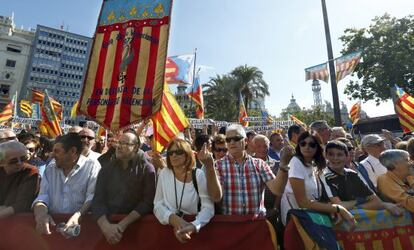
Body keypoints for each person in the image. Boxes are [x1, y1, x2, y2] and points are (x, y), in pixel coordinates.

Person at [280, 131, 355, 229]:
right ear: (299, 146)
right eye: (303, 143)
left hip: (311, 217)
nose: (307, 147)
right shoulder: (296, 162)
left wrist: (329, 208)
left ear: (318, 148)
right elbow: (303, 202)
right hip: (296, 219)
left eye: (312, 144)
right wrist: (338, 209)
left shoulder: (314, 165)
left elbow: (316, 197)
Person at [200, 124, 280, 215]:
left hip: (256, 224)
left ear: (245, 141)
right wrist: (210, 167)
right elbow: (216, 197)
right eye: (228, 140)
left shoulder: (260, 164)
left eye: (236, 138)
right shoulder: (217, 166)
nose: (232, 142)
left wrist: (284, 166)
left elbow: (277, 190)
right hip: (230, 224)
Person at [92, 131, 156, 245]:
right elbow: (98, 200)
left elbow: (147, 203)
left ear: (135, 147)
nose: (119, 146)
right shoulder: (106, 169)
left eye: (125, 143)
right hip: (107, 232)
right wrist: (106, 227)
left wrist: (121, 226)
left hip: (137, 231)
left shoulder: (147, 170)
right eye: (119, 142)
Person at [32, 133, 101, 235]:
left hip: (82, 232)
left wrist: (78, 216)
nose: (52, 155)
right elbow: (42, 197)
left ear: (73, 151)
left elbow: (92, 196)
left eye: (57, 151)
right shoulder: (50, 169)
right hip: (53, 230)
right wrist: (41, 214)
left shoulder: (92, 166)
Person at [154, 138, 214, 243]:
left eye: (179, 152)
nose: (174, 155)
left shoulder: (198, 175)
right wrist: (174, 219)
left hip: (197, 236)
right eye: (171, 153)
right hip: (167, 234)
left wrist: (193, 226)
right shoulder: (164, 173)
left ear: (187, 154)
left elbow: (208, 208)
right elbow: (158, 205)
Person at [321, 141, 402, 215]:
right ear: (326, 156)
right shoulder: (324, 175)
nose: (335, 158)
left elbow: (376, 202)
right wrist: (359, 201)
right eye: (331, 154)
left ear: (346, 156)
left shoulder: (351, 174)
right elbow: (340, 206)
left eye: (339, 155)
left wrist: (356, 206)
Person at [0, 141, 40, 218]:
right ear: (1, 162)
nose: (19, 163)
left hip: (18, 221)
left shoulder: (31, 171)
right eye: (13, 161)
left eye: (23, 159)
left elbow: (23, 204)